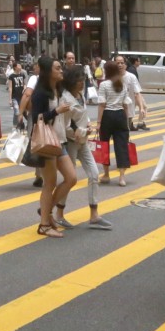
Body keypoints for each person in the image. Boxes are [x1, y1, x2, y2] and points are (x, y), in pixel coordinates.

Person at [61, 65, 112, 230]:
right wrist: (83, 130)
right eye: (78, 80)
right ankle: (58, 213)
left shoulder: (79, 95)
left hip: (83, 141)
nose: (82, 83)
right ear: (71, 81)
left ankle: (94, 215)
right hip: (71, 141)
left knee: (94, 174)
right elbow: (66, 125)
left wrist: (88, 125)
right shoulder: (66, 99)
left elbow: (81, 116)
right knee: (70, 179)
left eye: (82, 79)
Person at [32, 57, 76, 238]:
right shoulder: (40, 93)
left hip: (60, 140)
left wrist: (75, 127)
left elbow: (63, 116)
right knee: (49, 183)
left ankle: (46, 210)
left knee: (71, 178)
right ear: (48, 71)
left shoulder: (57, 89)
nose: (61, 71)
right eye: (58, 68)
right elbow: (37, 118)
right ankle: (44, 224)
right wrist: (56, 111)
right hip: (47, 143)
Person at [97, 61, 132, 186]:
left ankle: (106, 174)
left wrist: (98, 122)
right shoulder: (122, 84)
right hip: (120, 115)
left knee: (104, 145)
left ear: (107, 71)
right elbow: (126, 104)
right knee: (121, 146)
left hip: (107, 116)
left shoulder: (104, 85)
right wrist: (127, 121)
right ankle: (122, 177)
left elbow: (102, 104)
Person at [113, 55, 148, 130]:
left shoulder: (131, 77)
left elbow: (137, 93)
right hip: (114, 110)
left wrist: (141, 108)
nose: (120, 65)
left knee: (124, 133)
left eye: (122, 63)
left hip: (128, 111)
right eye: (117, 63)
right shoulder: (111, 77)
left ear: (125, 65)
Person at [7, 61, 27, 128]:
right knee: (16, 112)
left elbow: (24, 84)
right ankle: (15, 125)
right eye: (19, 66)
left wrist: (24, 88)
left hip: (22, 96)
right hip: (14, 97)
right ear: (15, 67)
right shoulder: (11, 76)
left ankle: (21, 124)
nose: (20, 67)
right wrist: (10, 99)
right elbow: (10, 88)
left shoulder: (22, 75)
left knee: (23, 112)